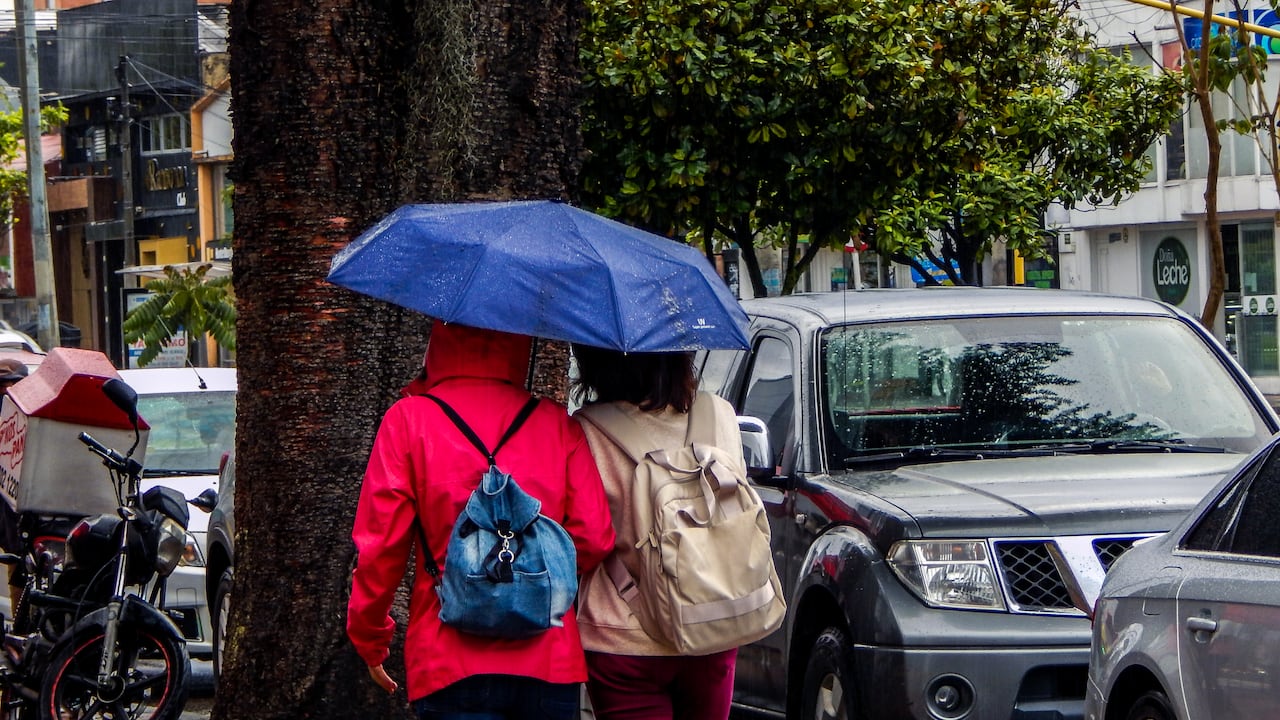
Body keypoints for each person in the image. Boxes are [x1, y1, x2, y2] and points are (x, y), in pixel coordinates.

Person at [347, 321, 616, 720]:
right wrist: (531, 578)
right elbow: (594, 536)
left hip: (448, 657)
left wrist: (371, 638)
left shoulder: (408, 421)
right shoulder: (556, 423)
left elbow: (380, 547)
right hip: (548, 658)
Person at [570, 344, 746, 720]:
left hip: (623, 636)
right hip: (713, 622)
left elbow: (588, 537)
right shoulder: (720, 415)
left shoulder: (587, 431)